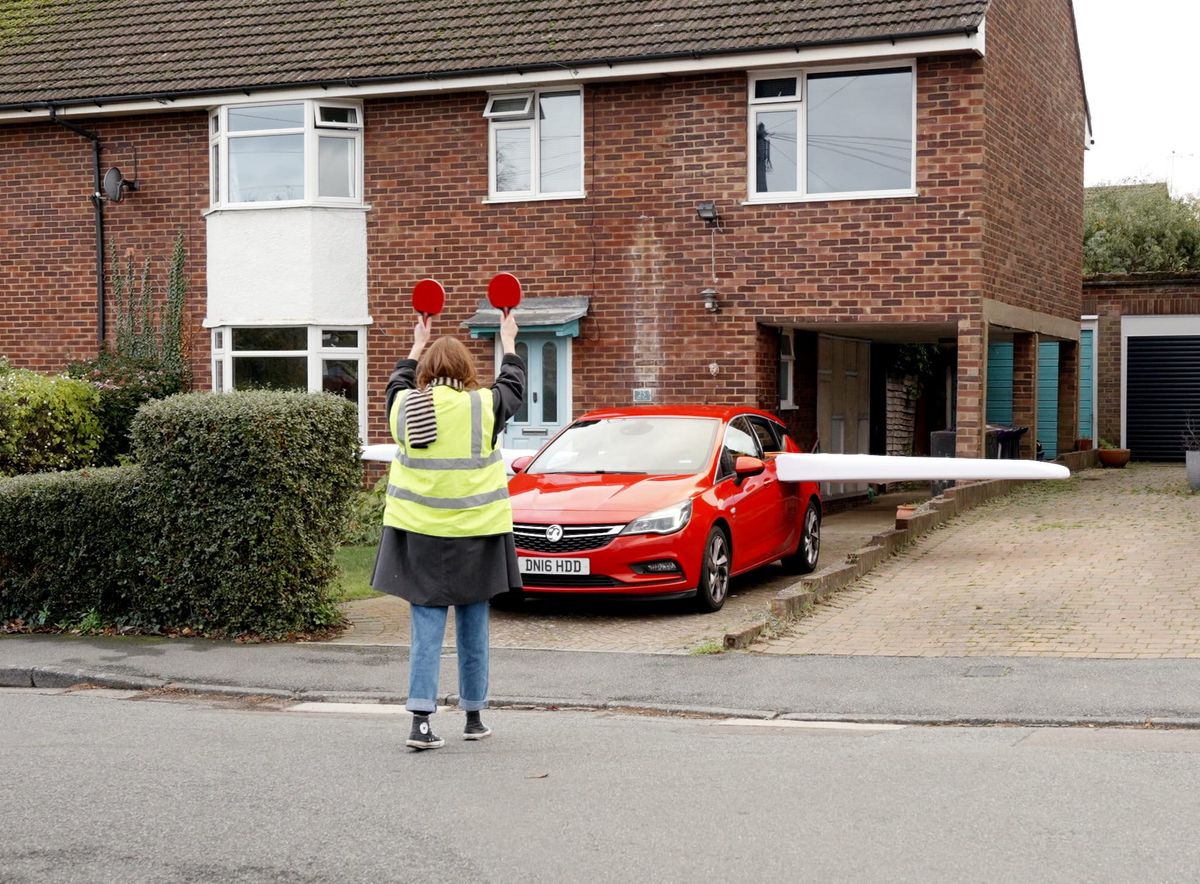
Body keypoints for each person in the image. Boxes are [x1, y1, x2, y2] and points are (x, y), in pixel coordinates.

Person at [371, 311, 525, 750]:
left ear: (426, 371)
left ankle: (420, 722)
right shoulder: (482, 407)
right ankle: (474, 717)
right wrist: (508, 340)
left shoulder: (405, 407)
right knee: (474, 624)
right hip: (477, 533)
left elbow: (395, 384)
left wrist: (415, 346)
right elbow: (511, 387)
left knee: (426, 626)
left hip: (420, 533)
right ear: (465, 371)